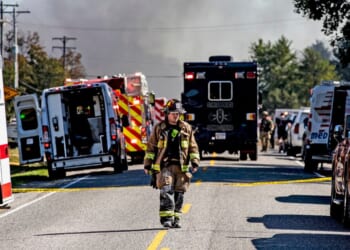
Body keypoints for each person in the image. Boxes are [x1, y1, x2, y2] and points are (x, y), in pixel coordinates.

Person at [144, 99, 200, 228]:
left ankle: (176, 218)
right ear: (167, 113)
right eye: (174, 113)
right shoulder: (159, 128)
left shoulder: (186, 127)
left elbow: (193, 146)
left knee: (179, 192)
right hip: (165, 166)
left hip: (182, 167)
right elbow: (151, 147)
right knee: (166, 190)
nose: (176, 116)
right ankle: (167, 219)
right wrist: (148, 165)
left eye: (178, 113)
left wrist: (195, 162)